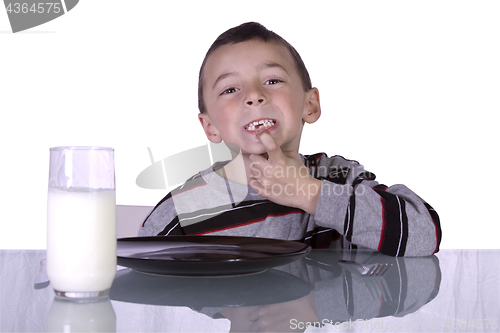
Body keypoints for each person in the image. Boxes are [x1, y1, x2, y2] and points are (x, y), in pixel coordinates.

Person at [139, 22, 441, 257]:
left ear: (310, 105)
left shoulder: (337, 178)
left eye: (273, 80)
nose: (255, 95)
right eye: (230, 89)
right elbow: (146, 297)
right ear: (210, 127)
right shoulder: (182, 209)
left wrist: (309, 193)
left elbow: (426, 234)